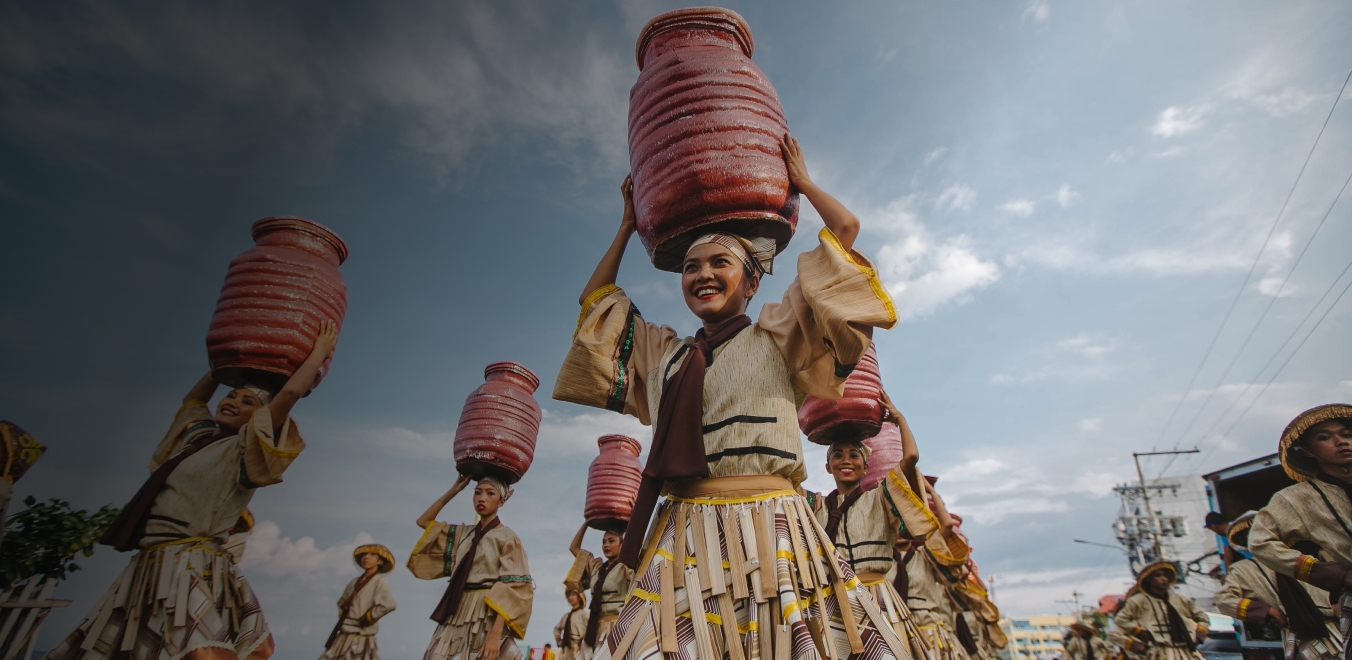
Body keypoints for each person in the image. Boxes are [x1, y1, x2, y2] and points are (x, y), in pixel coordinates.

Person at [553, 135, 902, 660]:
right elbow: (595, 306)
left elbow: (845, 232)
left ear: (752, 283)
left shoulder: (779, 332)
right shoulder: (665, 354)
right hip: (685, 534)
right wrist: (627, 226)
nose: (703, 275)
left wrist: (802, 183)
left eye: (720, 263)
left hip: (775, 531)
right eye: (691, 268)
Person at [44, 320, 338, 660]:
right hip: (155, 563)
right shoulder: (195, 439)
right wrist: (223, 366)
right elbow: (193, 401)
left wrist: (317, 353)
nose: (232, 402)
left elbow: (287, 395)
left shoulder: (245, 450)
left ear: (258, 420)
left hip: (191, 565)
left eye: (247, 402)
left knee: (233, 651)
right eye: (231, 395)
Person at [804, 392, 935, 660]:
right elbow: (786, 480)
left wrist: (899, 419)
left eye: (854, 455)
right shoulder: (816, 506)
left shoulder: (880, 497)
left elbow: (910, 458)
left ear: (866, 466)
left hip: (877, 598)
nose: (846, 461)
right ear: (828, 467)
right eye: (837, 455)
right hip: (835, 604)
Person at [1248, 404, 1352, 660]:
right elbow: (1260, 542)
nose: (1341, 442)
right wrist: (1336, 575)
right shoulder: (1297, 498)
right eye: (1325, 437)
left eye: (1346, 434)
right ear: (1306, 452)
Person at [409, 475, 534, 660]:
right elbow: (424, 522)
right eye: (477, 493)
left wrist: (495, 634)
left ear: (501, 501)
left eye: (490, 493)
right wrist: (453, 491)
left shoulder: (507, 537)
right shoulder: (462, 534)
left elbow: (514, 587)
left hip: (486, 612)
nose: (481, 498)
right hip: (457, 607)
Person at [1215, 513, 1341, 660]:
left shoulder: (1299, 557)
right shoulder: (1243, 570)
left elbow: (1335, 581)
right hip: (1299, 636)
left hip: (1334, 628)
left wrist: (1335, 606)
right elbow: (1222, 600)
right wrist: (1267, 611)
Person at [897, 480, 973, 660]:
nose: (901, 527)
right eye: (896, 520)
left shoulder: (925, 556)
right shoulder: (881, 561)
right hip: (897, 635)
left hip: (929, 637)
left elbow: (946, 525)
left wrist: (930, 490)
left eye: (906, 521)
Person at [1108, 562, 1208, 660]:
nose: (1163, 579)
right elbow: (1119, 625)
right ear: (1148, 579)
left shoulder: (1180, 600)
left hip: (1186, 650)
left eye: (1165, 575)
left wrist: (1200, 633)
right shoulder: (1138, 601)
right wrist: (1137, 636)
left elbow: (1201, 616)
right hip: (1158, 652)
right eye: (1158, 576)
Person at [563, 523, 635, 657]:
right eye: (603, 542)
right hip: (595, 629)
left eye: (611, 541)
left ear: (622, 544)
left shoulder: (626, 566)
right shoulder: (596, 567)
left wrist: (631, 522)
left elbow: (638, 547)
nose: (606, 545)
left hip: (618, 627)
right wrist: (587, 522)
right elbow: (574, 548)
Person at [320, 544, 398, 660]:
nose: (366, 557)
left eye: (372, 555)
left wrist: (368, 617)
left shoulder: (380, 582)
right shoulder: (354, 582)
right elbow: (342, 602)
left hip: (361, 637)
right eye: (364, 555)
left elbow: (389, 605)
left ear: (380, 561)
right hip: (344, 634)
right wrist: (345, 615)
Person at [554, 590, 589, 660]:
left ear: (579, 598)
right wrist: (558, 640)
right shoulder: (566, 616)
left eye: (573, 595)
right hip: (565, 650)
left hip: (577, 650)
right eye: (570, 595)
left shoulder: (584, 615)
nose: (571, 597)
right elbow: (556, 629)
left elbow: (591, 630)